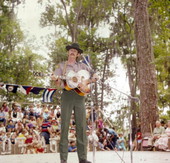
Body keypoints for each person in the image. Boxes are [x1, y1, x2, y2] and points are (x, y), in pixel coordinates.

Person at [51, 43, 98, 163]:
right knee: (65, 126)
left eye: (75, 51)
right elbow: (57, 82)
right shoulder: (62, 66)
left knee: (81, 127)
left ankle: (82, 158)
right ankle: (63, 159)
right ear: (68, 52)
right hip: (67, 95)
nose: (72, 52)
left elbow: (95, 76)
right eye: (71, 50)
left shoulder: (83, 66)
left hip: (80, 96)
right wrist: (56, 79)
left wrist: (87, 81)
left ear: (78, 54)